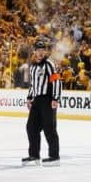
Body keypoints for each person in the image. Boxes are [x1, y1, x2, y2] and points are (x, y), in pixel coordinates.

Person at [22, 38, 62, 166]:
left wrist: (55, 98)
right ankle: (34, 156)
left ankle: (54, 157)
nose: (40, 52)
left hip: (47, 100)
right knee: (31, 127)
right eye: (38, 50)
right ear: (34, 51)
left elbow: (56, 80)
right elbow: (33, 84)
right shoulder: (33, 66)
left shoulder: (49, 64)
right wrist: (29, 98)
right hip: (36, 101)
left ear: (45, 52)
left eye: (42, 50)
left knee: (49, 128)